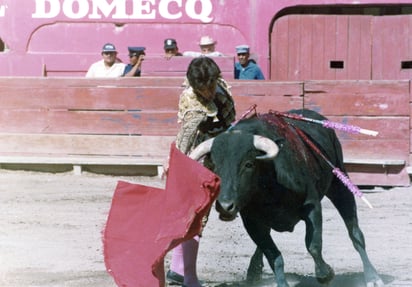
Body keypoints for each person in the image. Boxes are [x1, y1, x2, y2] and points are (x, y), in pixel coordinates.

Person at [166, 57, 236, 287]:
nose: (207, 92)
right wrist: (177, 164)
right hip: (199, 159)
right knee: (196, 216)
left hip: (219, 151)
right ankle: (189, 278)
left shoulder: (219, 85)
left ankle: (178, 270)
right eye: (202, 88)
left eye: (211, 86)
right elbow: (186, 137)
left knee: (194, 215)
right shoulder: (192, 101)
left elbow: (227, 120)